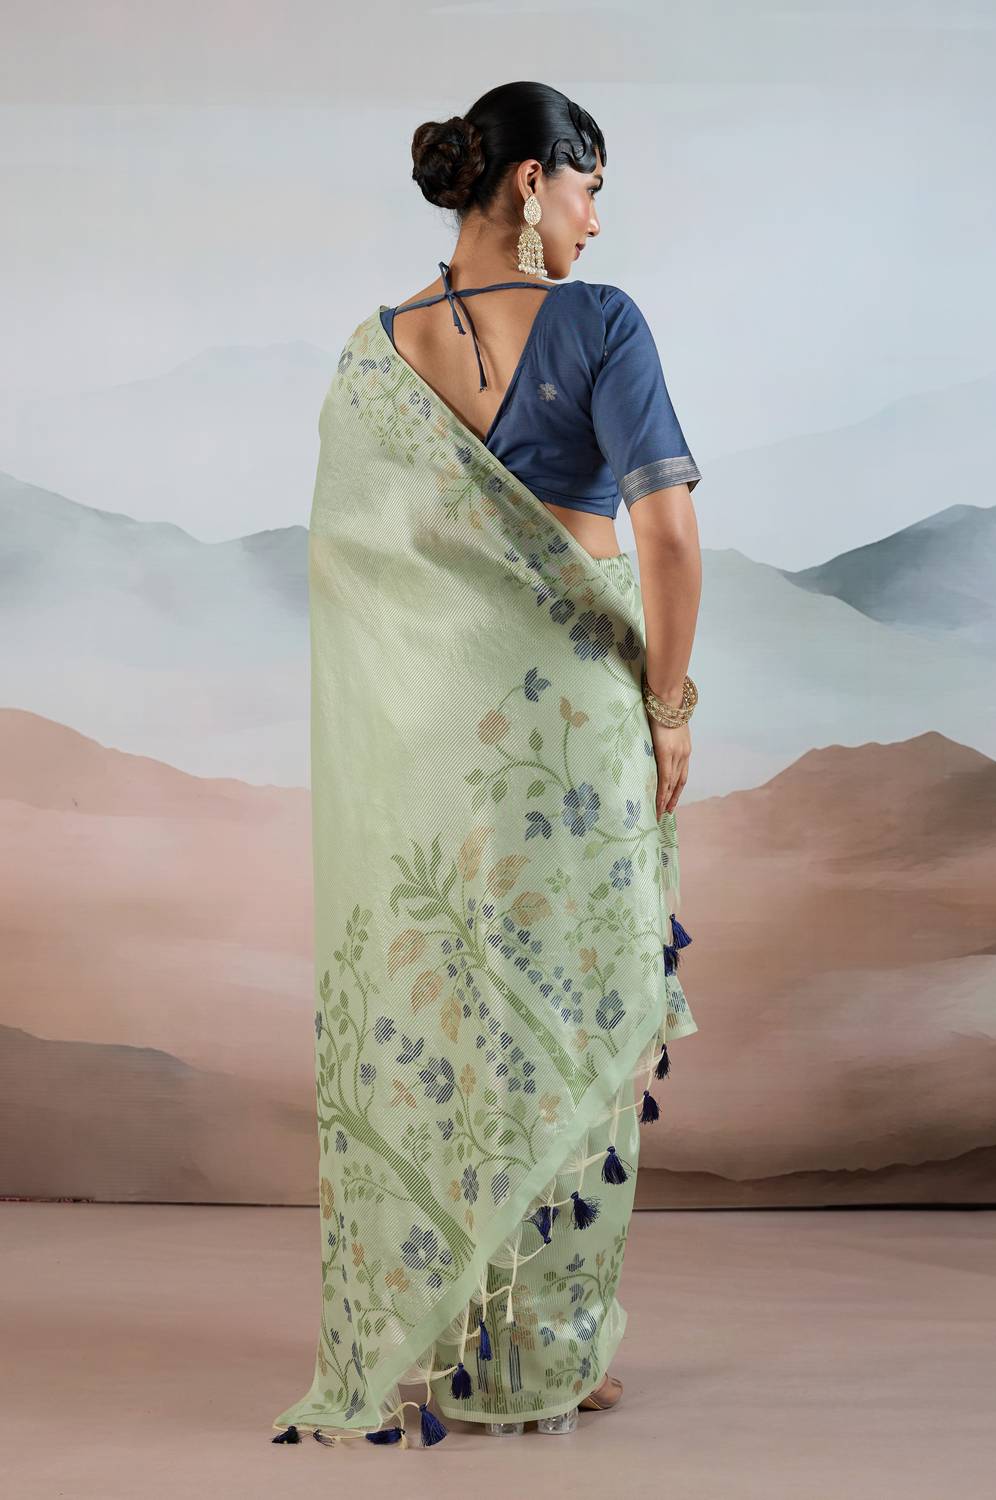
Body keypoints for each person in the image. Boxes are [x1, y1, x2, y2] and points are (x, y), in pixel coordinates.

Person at [271, 80, 703, 1451]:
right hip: (572, 736)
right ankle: (537, 1354)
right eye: (588, 186)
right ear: (530, 181)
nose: (594, 219)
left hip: (436, 753)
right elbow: (668, 536)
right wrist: (671, 705)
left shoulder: (378, 354)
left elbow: (355, 570)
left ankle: (445, 1334)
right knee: (569, 1016)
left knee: (460, 1024)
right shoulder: (600, 321)